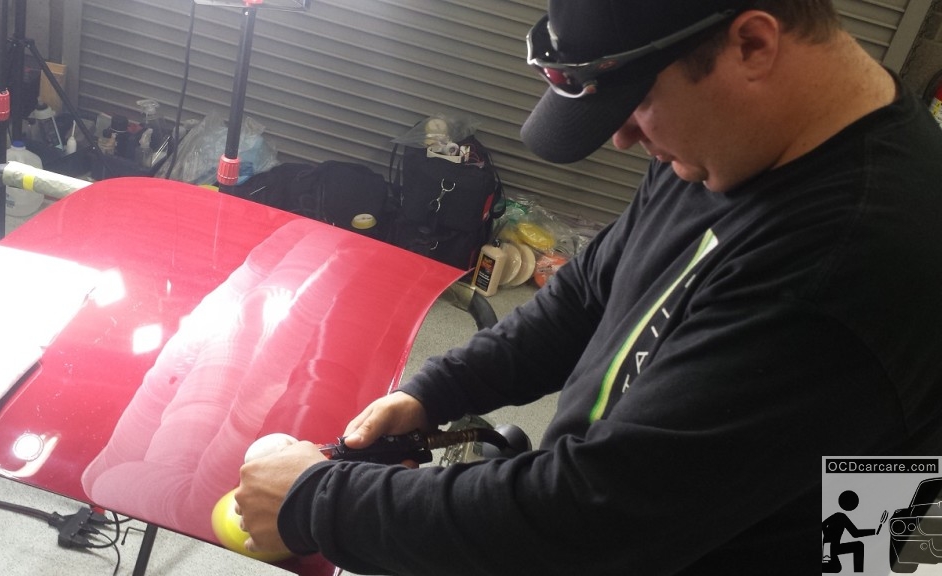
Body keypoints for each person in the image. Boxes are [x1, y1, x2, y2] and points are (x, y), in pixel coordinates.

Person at [234, 0, 942, 573]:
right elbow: (591, 292)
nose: (622, 140)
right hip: (648, 509)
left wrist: (317, 503)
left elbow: (593, 524)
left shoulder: (851, 262)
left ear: (753, 45)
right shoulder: (743, 137)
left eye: (635, 101)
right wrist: (436, 391)